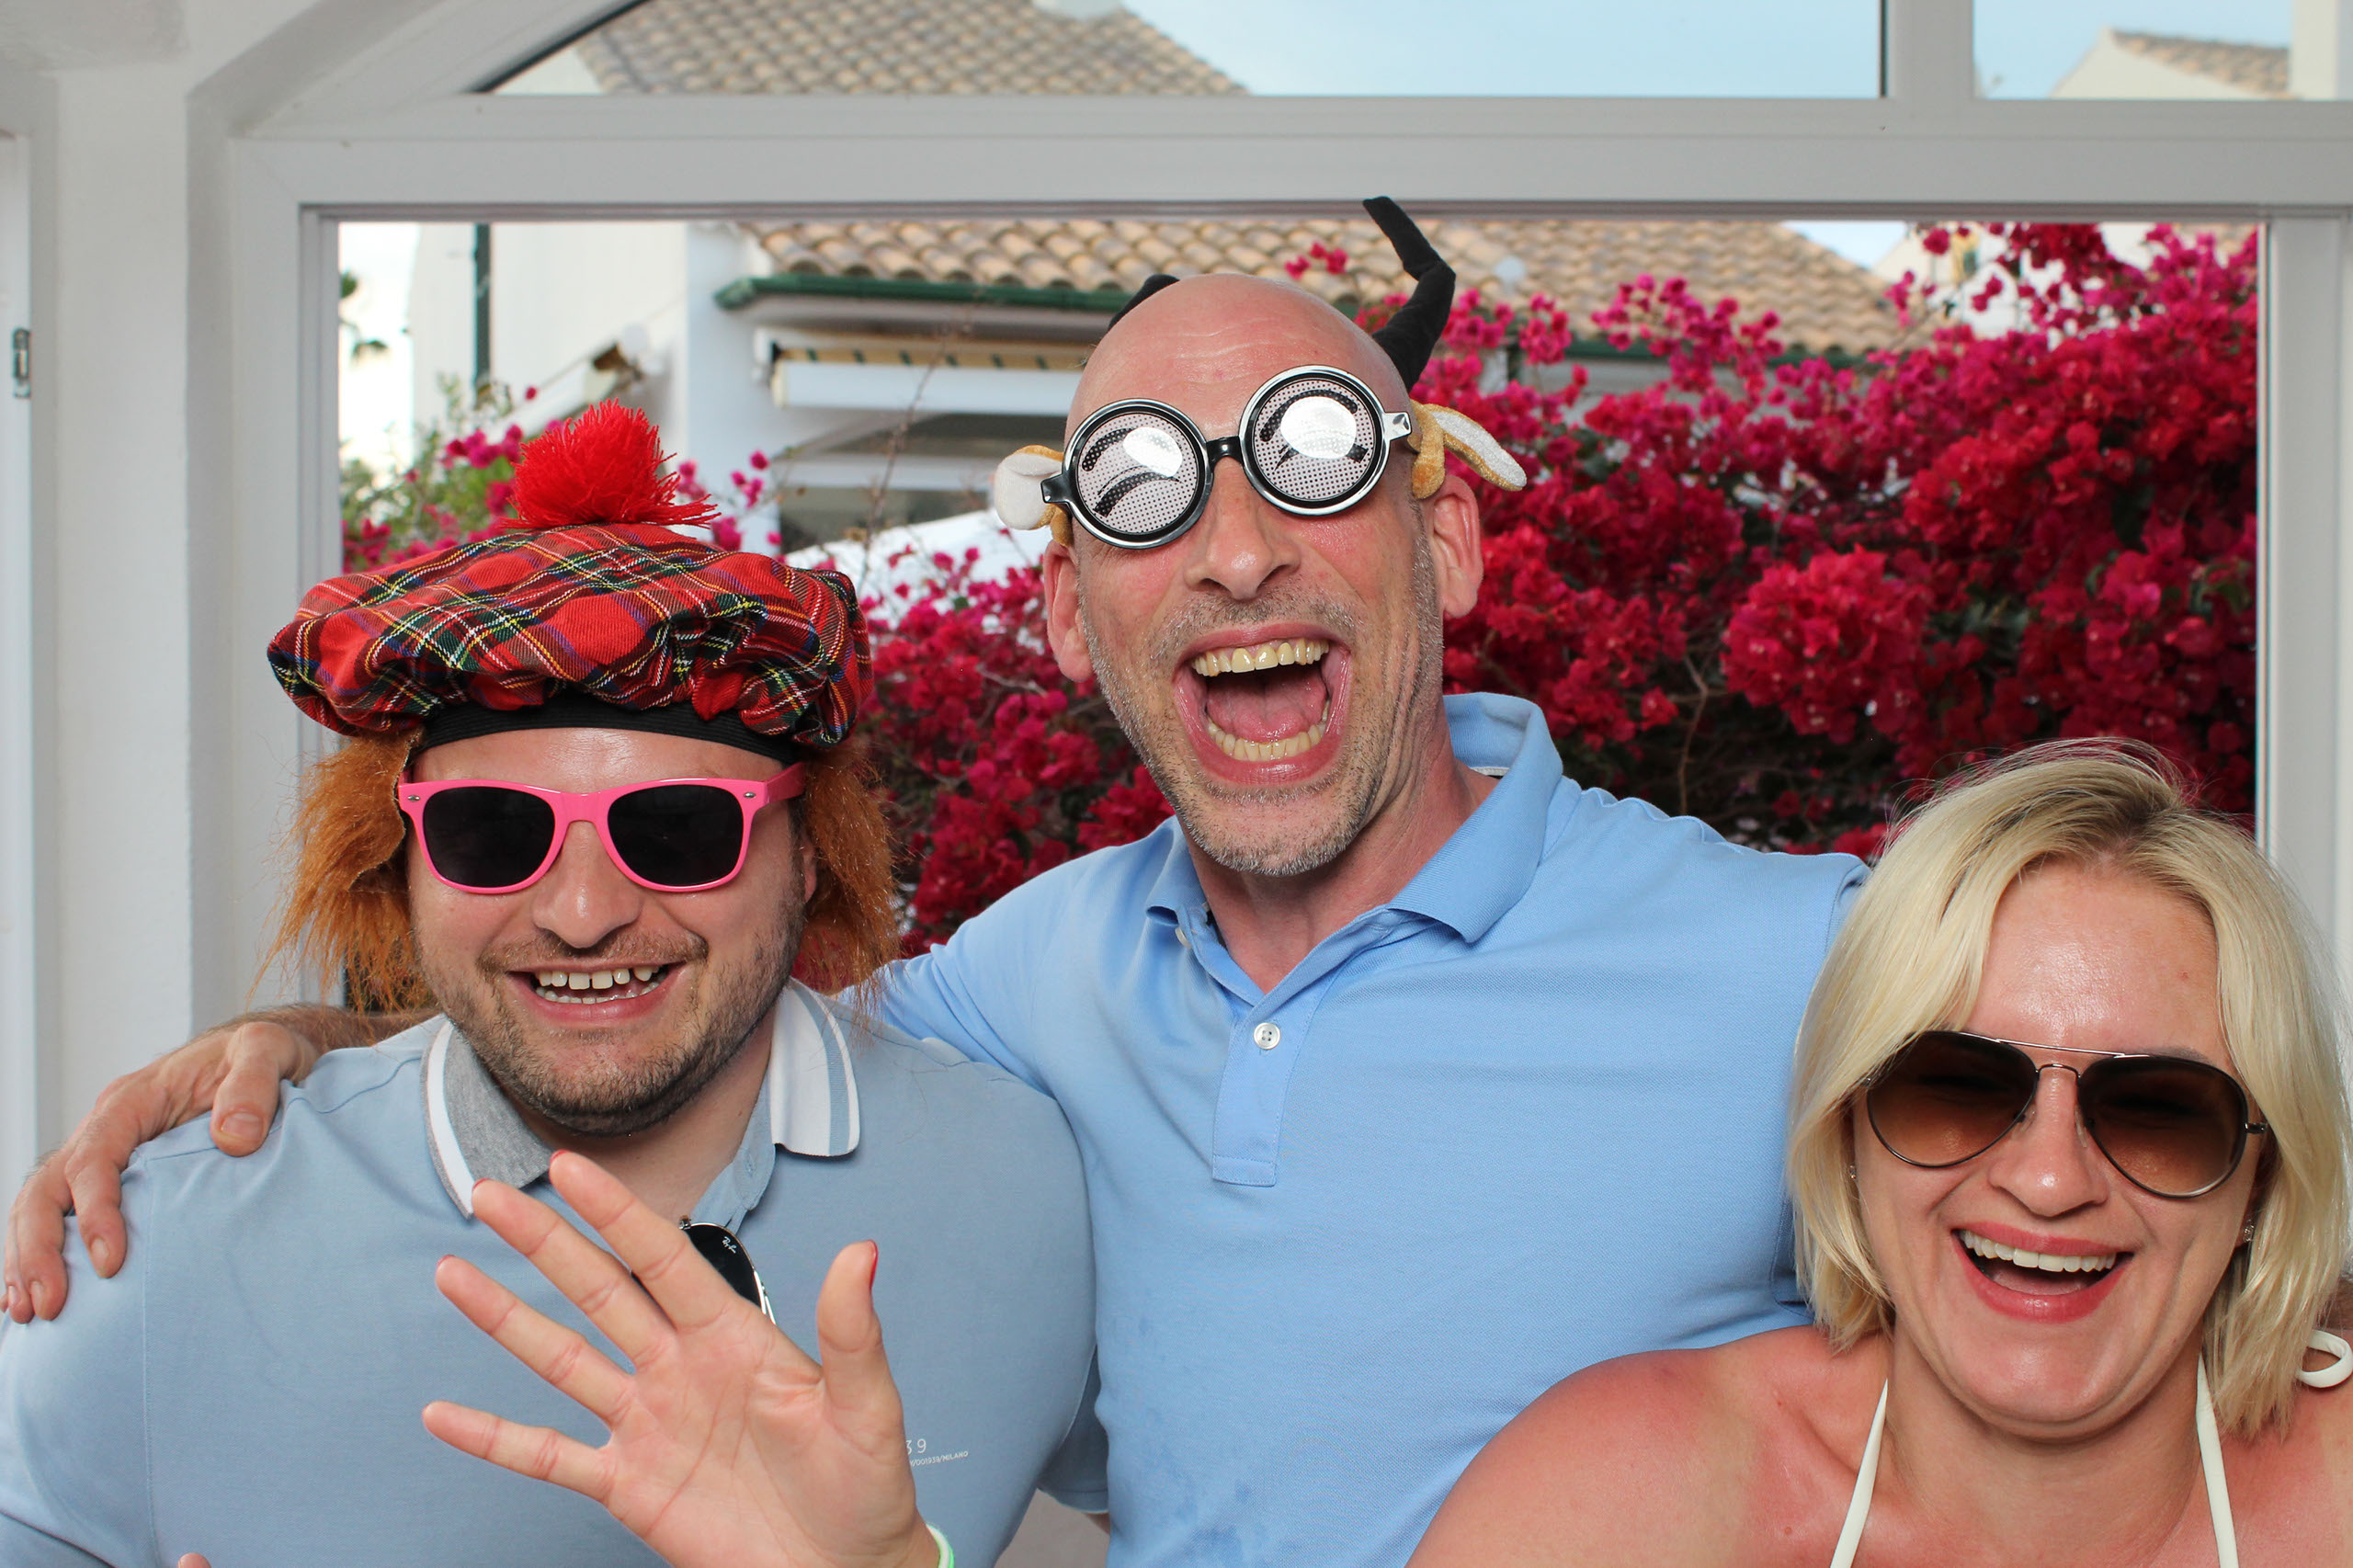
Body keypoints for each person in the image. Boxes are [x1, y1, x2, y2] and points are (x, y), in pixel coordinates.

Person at [6, 201, 1865, 1567]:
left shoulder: (1810, 969)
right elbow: (661, 996)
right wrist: (319, 1048)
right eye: (1144, 491)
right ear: (1065, 609)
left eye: (1307, 463)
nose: (1234, 554)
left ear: (1443, 536)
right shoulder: (1034, 988)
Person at [0, 404, 1097, 1567]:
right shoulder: (153, 1248)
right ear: (404, 859)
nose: (581, 913)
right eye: (490, 831)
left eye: (677, 829)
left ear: (811, 854)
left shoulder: (1038, 1189)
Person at [1410, 743, 2353, 1566]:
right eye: (1956, 1087)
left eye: (2159, 1111)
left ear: (2262, 1181)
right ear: (1848, 1129)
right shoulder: (1614, 1499)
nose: (2048, 1180)